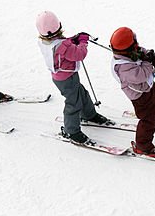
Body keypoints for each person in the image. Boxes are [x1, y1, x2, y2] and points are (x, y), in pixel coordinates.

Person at [36, 11, 112, 144]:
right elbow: (79, 54)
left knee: (81, 94)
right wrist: (82, 42)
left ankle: (89, 114)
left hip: (62, 77)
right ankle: (71, 131)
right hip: (66, 79)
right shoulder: (63, 46)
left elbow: (62, 43)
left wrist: (72, 39)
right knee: (73, 102)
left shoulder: (46, 42)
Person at [109, 26, 155, 157]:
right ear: (128, 49)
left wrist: (149, 54)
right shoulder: (123, 67)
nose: (137, 45)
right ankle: (142, 146)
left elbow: (140, 51)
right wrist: (149, 62)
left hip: (147, 86)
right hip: (139, 94)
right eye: (134, 43)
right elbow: (140, 75)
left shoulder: (130, 50)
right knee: (148, 119)